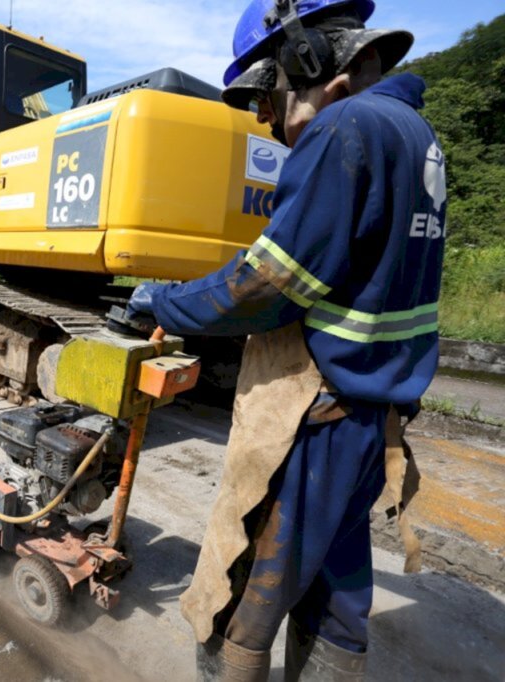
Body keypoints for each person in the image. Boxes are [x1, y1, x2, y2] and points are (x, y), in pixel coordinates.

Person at [125, 0, 444, 678]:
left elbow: (266, 287)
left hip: (319, 420)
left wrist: (165, 300)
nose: (266, 122)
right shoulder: (414, 132)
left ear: (308, 61)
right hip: (375, 417)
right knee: (335, 590)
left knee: (237, 595)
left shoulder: (343, 127)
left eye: (266, 99)